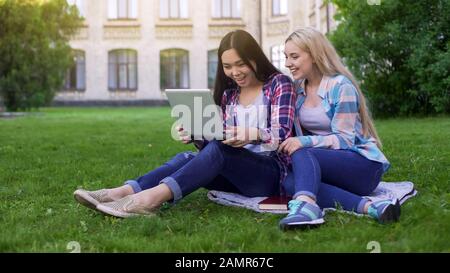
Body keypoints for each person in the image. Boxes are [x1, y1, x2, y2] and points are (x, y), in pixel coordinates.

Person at [73, 30, 296, 218]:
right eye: (227, 66)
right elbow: (218, 143)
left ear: (254, 58)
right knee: (187, 157)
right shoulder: (230, 95)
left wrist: (252, 133)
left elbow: (283, 134)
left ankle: (149, 200)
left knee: (220, 150)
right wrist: (197, 134)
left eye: (240, 64)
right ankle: (119, 192)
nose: (234, 72)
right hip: (235, 175)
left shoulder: (279, 84)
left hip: (269, 174)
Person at [278, 27, 399, 230]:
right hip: (329, 164)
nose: (288, 63)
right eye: (286, 56)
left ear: (315, 55)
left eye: (294, 56)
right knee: (290, 183)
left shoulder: (341, 87)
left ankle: (306, 208)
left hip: (362, 166)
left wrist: (303, 142)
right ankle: (372, 208)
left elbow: (345, 140)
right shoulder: (298, 90)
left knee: (302, 152)